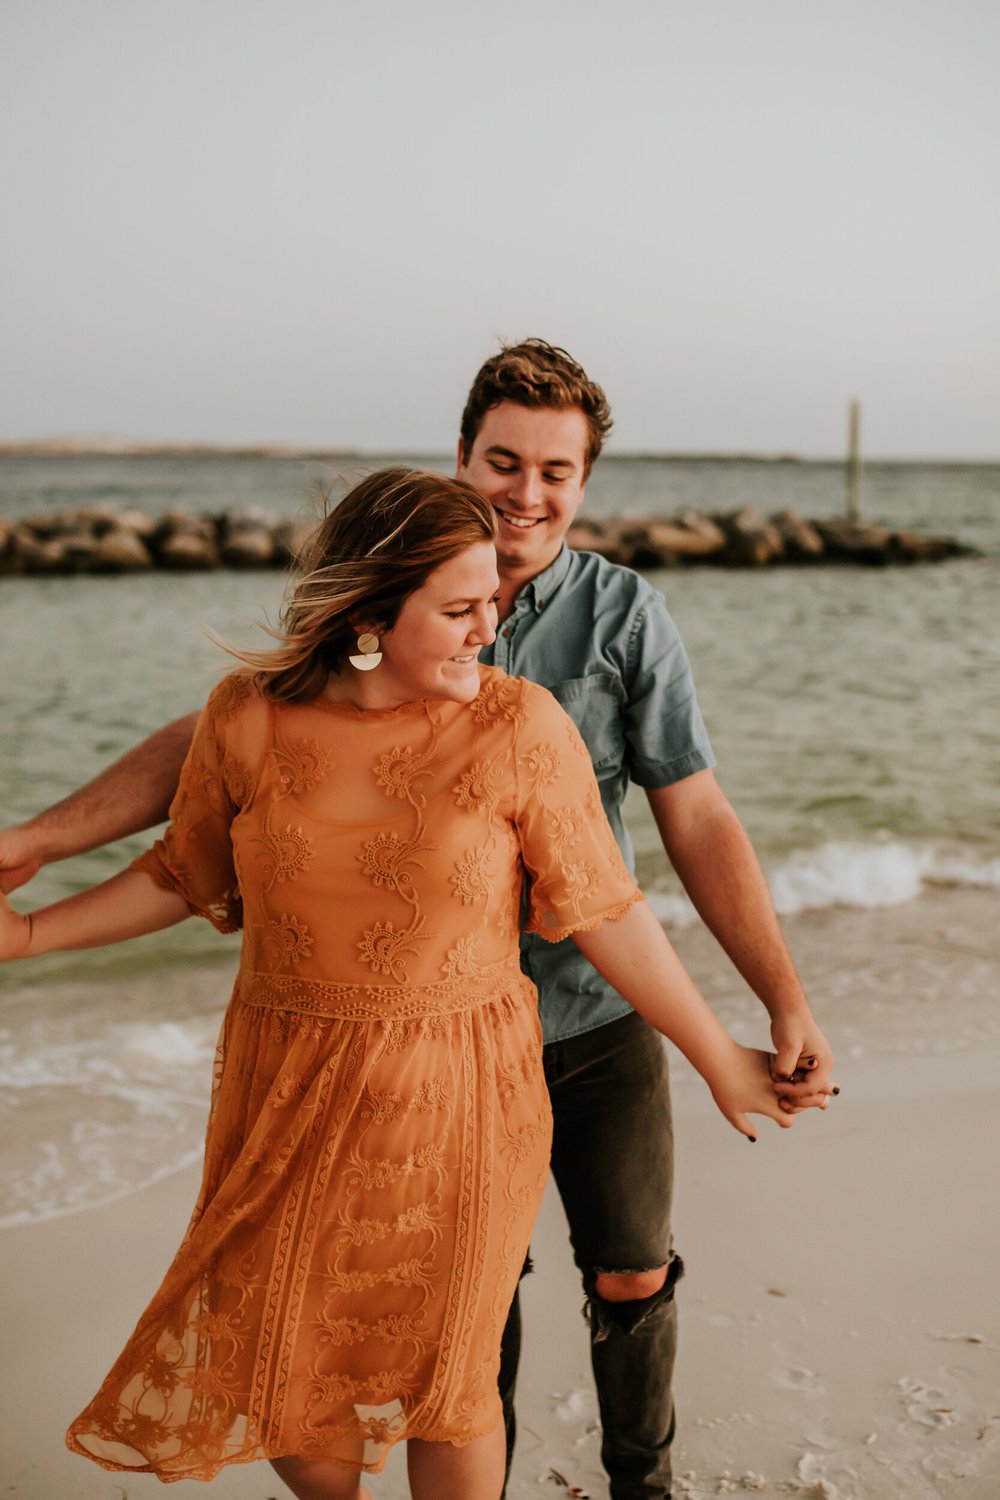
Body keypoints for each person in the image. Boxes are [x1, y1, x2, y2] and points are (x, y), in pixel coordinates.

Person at [0, 342, 837, 1500]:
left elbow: (661, 851)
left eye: (558, 472)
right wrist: (36, 876)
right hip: (301, 1069)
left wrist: (751, 1029)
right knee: (342, 1353)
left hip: (537, 1039)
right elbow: (199, 830)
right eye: (504, 463)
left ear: (585, 481)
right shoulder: (268, 698)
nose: (527, 499)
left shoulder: (575, 658)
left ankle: (642, 1483)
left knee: (579, 1298)